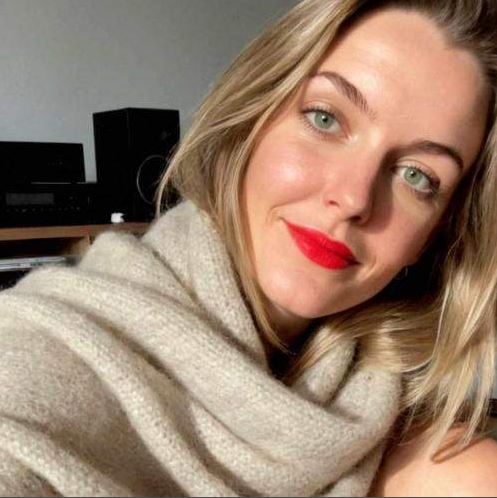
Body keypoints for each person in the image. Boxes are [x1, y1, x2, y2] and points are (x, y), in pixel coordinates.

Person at [1, 0, 497, 496]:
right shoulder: (36, 368)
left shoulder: (417, 442)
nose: (353, 199)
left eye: (417, 176)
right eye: (325, 119)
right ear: (250, 121)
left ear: (437, 233)